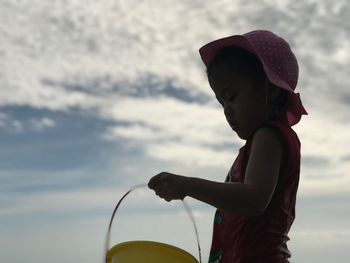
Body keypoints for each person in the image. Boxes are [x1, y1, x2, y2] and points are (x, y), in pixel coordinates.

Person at [148, 30, 307, 263]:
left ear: (270, 90)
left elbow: (253, 200)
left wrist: (186, 185)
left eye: (231, 96)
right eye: (221, 102)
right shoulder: (258, 144)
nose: (227, 110)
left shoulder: (268, 136)